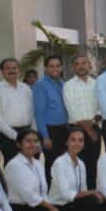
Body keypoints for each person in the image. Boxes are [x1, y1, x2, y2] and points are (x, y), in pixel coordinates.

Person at [8, 128, 104, 211]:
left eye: (35, 141)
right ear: (18, 144)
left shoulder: (38, 164)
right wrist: (52, 209)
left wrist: (90, 194)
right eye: (28, 141)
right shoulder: (15, 165)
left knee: (97, 210)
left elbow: (43, 191)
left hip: (44, 205)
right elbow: (30, 195)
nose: (32, 144)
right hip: (24, 208)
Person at [63, 52, 102, 190]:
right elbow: (71, 109)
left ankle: (92, 192)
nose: (81, 66)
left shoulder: (96, 84)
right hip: (77, 130)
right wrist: (88, 130)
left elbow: (101, 107)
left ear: (89, 65)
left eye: (84, 63)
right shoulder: (69, 85)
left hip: (95, 127)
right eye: (77, 64)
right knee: (78, 164)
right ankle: (79, 194)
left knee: (93, 163)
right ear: (73, 67)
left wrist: (93, 124)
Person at [0, 57, 34, 165]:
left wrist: (32, 131)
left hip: (27, 132)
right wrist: (15, 135)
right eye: (8, 68)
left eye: (14, 68)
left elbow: (32, 110)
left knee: (29, 164)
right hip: (8, 136)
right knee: (12, 165)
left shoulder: (25, 88)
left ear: (19, 70)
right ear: (2, 71)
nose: (12, 70)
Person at [32, 55, 69, 185]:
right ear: (46, 68)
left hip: (64, 129)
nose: (55, 69)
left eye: (57, 66)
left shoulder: (63, 84)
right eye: (51, 66)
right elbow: (39, 112)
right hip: (50, 131)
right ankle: (49, 190)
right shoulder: (40, 85)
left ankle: (62, 189)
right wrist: (45, 136)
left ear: (62, 68)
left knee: (63, 163)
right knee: (52, 164)